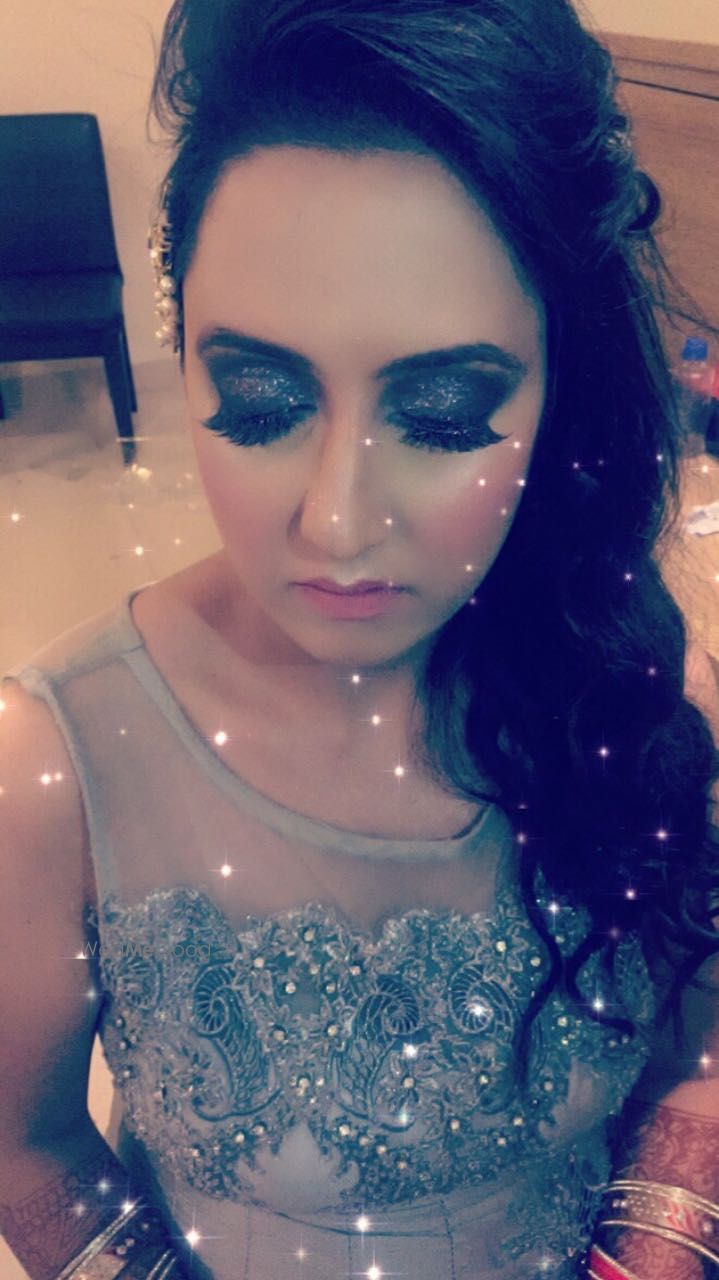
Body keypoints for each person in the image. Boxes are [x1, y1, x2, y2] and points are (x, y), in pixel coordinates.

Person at [1, 1, 719, 1277]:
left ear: (558, 384)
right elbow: (27, 1147)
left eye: (439, 413)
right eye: (261, 401)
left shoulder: (635, 691)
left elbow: (694, 1063)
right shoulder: (50, 770)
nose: (335, 522)